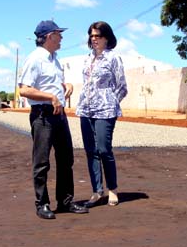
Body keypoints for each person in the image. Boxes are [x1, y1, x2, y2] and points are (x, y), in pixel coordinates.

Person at [18, 20, 89, 219]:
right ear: (50, 36)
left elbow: (52, 83)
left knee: (66, 158)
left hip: (59, 115)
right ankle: (42, 204)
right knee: (41, 162)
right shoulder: (35, 59)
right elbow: (24, 89)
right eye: (59, 34)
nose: (62, 38)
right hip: (43, 116)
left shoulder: (54, 58)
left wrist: (66, 86)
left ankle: (65, 201)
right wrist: (51, 97)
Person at [76, 21, 128, 207]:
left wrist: (110, 102)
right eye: (91, 35)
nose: (94, 39)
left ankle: (112, 189)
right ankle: (97, 191)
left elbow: (122, 87)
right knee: (91, 151)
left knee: (104, 149)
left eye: (98, 36)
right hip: (85, 109)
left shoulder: (113, 58)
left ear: (107, 38)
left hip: (105, 110)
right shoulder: (87, 58)